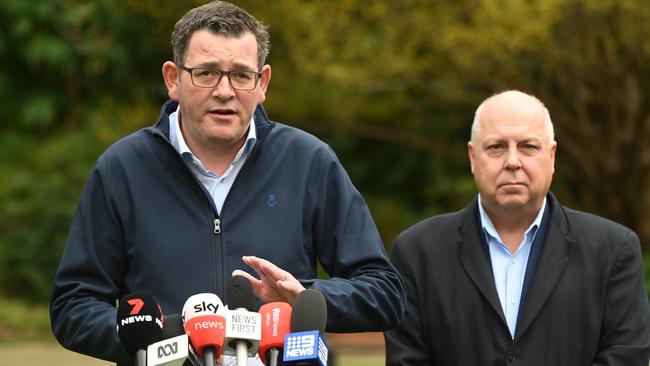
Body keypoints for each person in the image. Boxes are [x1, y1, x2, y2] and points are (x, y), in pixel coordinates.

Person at [49, 1, 405, 365]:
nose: (224, 91)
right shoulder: (121, 169)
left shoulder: (309, 161)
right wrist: (150, 340)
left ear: (262, 83)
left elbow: (384, 292)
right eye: (206, 73)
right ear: (173, 79)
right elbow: (73, 305)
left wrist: (305, 298)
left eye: (240, 75)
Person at [384, 90, 650, 365]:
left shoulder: (613, 250)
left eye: (528, 146)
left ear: (552, 155)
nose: (512, 161)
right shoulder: (417, 253)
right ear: (473, 157)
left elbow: (625, 358)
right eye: (496, 147)